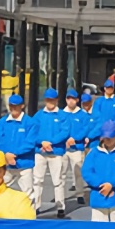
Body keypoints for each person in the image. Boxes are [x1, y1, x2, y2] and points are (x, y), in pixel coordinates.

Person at [81, 120, 115, 222]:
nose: (107, 140)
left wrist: (111, 185)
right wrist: (102, 185)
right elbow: (87, 172)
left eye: (110, 137)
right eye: (105, 137)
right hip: (99, 198)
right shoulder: (94, 152)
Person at [32, 88, 69, 217]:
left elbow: (65, 132)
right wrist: (42, 142)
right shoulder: (38, 115)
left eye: (52, 100)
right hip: (40, 152)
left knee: (58, 180)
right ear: (45, 100)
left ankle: (60, 207)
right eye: (48, 100)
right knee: (37, 180)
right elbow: (32, 132)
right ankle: (36, 206)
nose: (50, 102)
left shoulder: (63, 115)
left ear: (57, 100)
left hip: (56, 152)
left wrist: (50, 142)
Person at [0, 94, 37, 204]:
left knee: (28, 193)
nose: (13, 108)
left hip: (24, 164)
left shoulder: (30, 122)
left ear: (22, 106)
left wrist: (14, 154)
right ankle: (1, 216)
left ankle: (30, 218)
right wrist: (6, 155)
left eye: (16, 106)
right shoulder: (2, 122)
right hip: (6, 164)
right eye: (11, 106)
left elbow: (30, 143)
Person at [63, 89, 90, 206]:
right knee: (61, 173)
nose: (71, 101)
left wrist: (74, 138)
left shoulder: (83, 115)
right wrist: (64, 139)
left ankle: (80, 194)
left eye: (73, 99)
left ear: (77, 100)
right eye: (68, 98)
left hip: (77, 148)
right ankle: (61, 196)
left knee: (78, 173)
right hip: (63, 148)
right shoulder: (61, 114)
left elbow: (85, 129)